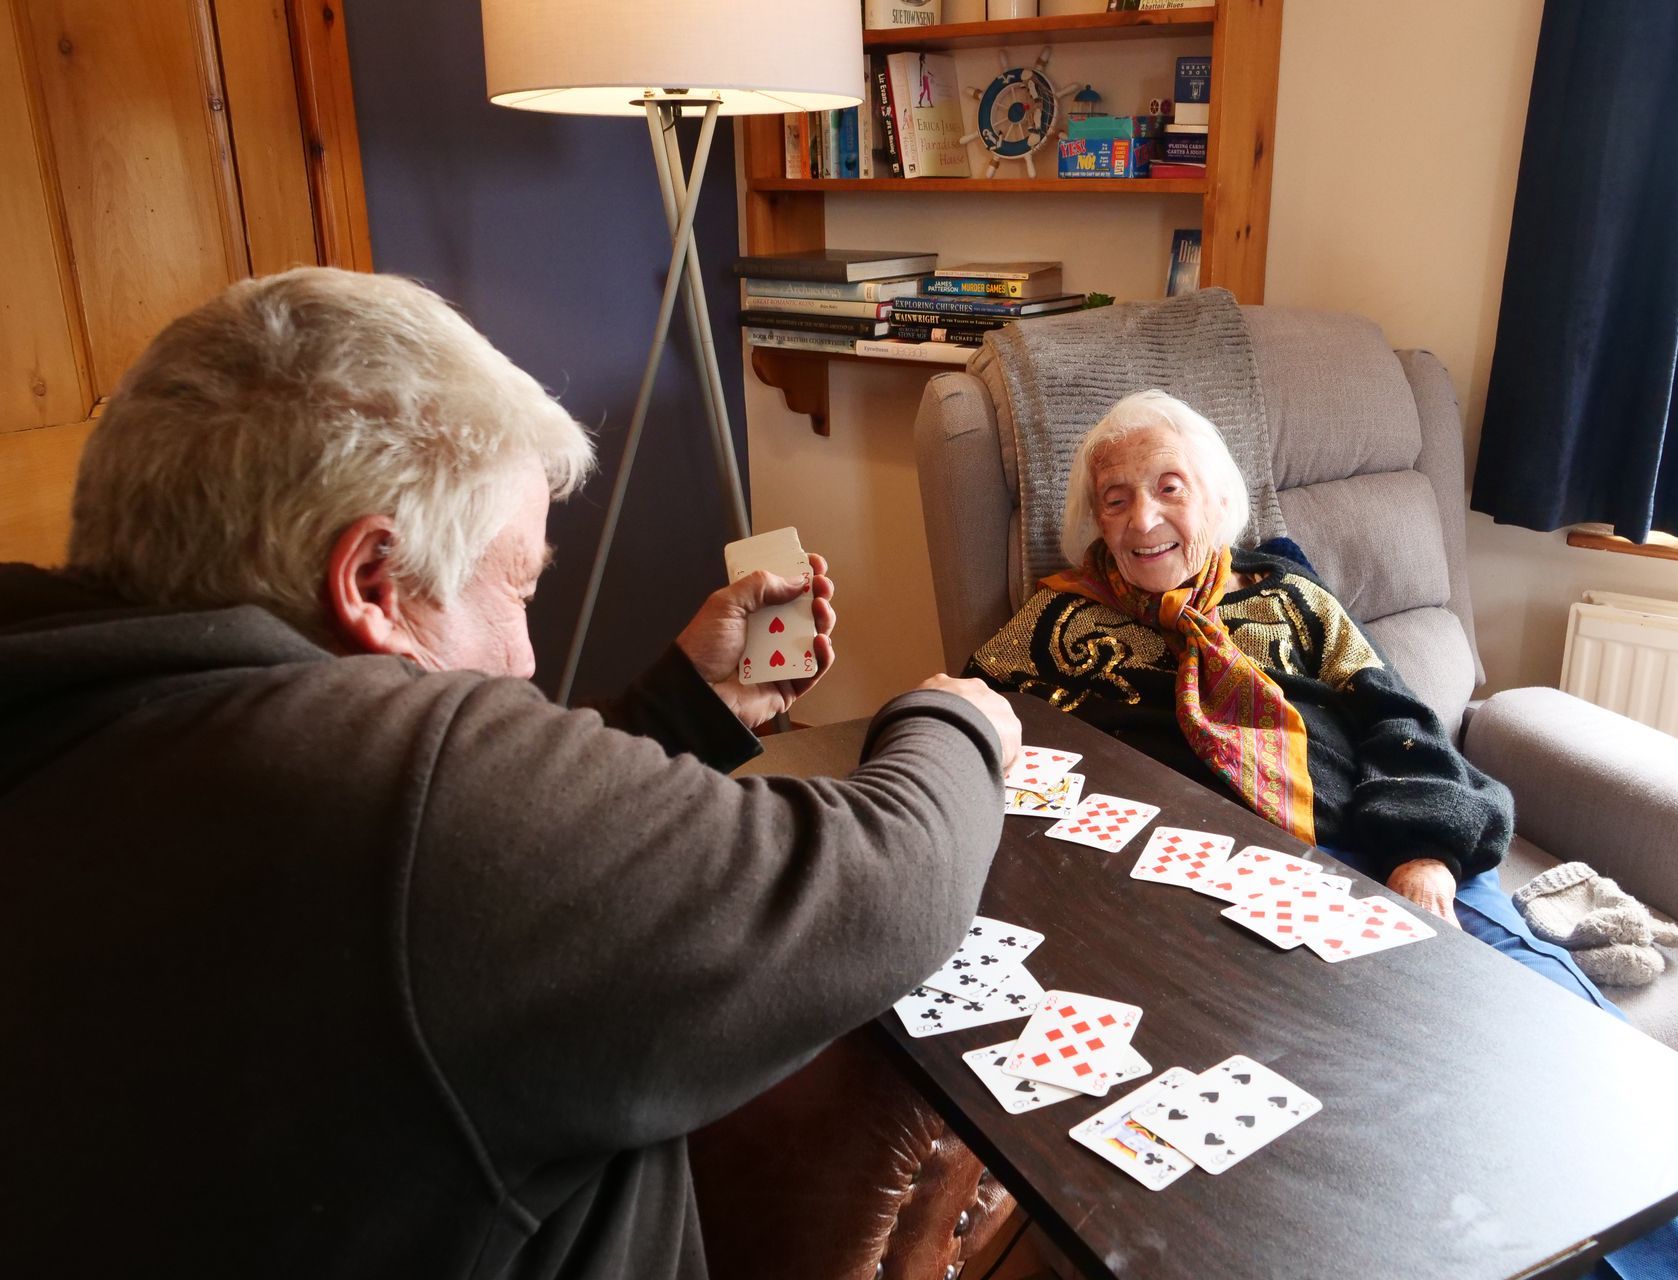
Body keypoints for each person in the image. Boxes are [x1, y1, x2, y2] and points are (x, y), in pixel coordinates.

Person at [0, 267, 1021, 1280]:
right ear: (372, 583)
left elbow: (458, 879)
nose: (528, 658)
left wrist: (680, 710)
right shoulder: (378, 785)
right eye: (516, 585)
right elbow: (882, 885)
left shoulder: (97, 704)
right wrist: (953, 716)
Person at [966, 389, 1678, 1280]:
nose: (1144, 517)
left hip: (1382, 852)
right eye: (1116, 497)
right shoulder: (1055, 622)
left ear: (1216, 501)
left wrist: (1424, 857)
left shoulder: (1288, 595)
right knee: (1450, 1105)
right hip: (1225, 902)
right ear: (1093, 520)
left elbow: (1400, 719)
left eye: (1169, 486)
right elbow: (960, 718)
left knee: (1575, 1054)